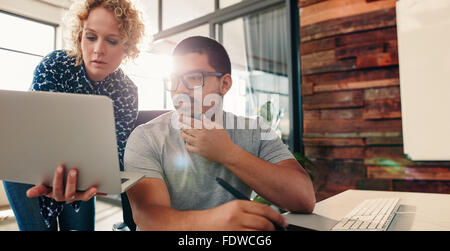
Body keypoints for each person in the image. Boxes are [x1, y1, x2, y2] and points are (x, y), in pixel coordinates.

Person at [125, 36, 316, 231]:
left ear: (224, 84)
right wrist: (212, 222)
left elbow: (304, 198)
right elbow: (147, 217)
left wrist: (228, 153)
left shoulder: (254, 131)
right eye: (173, 80)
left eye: (194, 78)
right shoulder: (145, 137)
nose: (180, 89)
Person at [2, 0, 145, 231]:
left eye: (112, 40)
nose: (98, 49)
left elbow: (116, 153)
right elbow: (34, 133)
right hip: (27, 170)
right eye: (91, 37)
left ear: (128, 48)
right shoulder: (54, 65)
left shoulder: (126, 91)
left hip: (82, 175)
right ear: (80, 37)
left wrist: (97, 178)